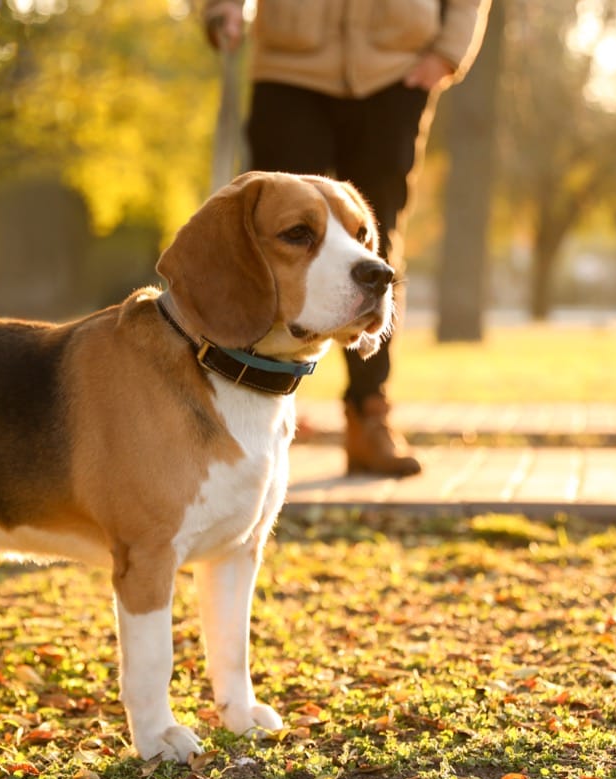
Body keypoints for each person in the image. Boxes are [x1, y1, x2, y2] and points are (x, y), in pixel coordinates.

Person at [202, 0, 490, 477]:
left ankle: (369, 414)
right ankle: (244, 414)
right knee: (270, 235)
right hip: (290, 67)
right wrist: (222, 9)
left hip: (395, 68)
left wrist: (447, 52)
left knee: (378, 240)